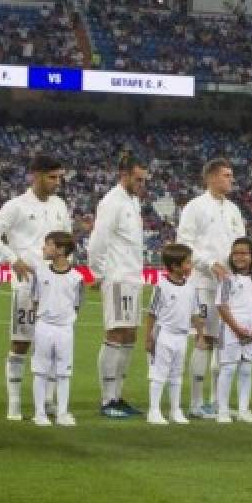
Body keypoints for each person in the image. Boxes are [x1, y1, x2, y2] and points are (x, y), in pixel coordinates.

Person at [0, 154, 73, 422]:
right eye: (51, 177)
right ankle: (14, 403)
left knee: (54, 344)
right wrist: (13, 260)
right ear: (35, 175)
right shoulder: (16, 206)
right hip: (27, 284)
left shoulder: (60, 205)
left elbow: (67, 242)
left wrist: (67, 271)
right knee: (21, 342)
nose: (57, 183)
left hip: (55, 287)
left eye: (59, 177)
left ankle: (48, 401)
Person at [176, 157, 247, 419]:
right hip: (204, 284)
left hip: (230, 286)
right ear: (211, 178)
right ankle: (195, 403)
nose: (231, 179)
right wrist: (209, 263)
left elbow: (242, 243)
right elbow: (184, 244)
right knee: (204, 339)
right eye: (227, 175)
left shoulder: (233, 210)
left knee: (224, 343)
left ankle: (217, 401)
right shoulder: (195, 207)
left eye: (231, 175)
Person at [88, 155, 150, 419]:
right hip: (117, 277)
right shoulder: (111, 202)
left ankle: (118, 396)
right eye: (138, 179)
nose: (142, 184)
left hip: (133, 277)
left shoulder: (133, 202)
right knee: (115, 333)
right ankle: (106, 400)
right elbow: (97, 241)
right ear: (123, 174)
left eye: (144, 179)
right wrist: (100, 273)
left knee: (129, 335)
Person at [29, 231, 84, 427]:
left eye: (48, 244)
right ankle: (39, 413)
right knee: (40, 371)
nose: (44, 248)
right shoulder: (40, 272)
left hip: (65, 329)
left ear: (60, 250)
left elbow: (77, 304)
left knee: (64, 372)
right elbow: (35, 300)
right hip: (44, 326)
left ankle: (62, 413)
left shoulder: (76, 278)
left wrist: (66, 321)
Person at [215, 238, 252, 424]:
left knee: (246, 370)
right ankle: (222, 410)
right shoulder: (227, 278)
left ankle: (244, 409)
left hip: (251, 331)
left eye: (244, 253)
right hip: (231, 330)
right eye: (236, 253)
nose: (239, 257)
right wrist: (236, 328)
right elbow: (222, 306)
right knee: (228, 368)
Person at [146, 243, 196, 425]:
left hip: (182, 336)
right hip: (163, 335)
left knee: (176, 374)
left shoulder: (190, 287)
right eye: (188, 263)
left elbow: (195, 312)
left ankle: (175, 410)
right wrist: (148, 338)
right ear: (175, 266)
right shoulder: (162, 286)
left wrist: (200, 332)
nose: (191, 266)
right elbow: (151, 313)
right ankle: (154, 410)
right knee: (159, 374)